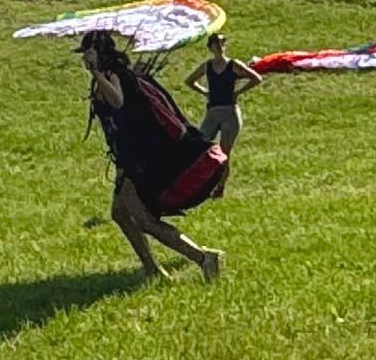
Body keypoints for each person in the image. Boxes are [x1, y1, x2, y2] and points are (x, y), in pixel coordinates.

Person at [80, 30, 226, 282]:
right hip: (130, 160)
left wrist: (95, 73)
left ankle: (203, 257)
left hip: (139, 163)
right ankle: (151, 269)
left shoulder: (112, 75)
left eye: (88, 52)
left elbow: (117, 102)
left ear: (99, 53)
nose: (84, 57)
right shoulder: (117, 75)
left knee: (146, 222)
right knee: (120, 213)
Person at [184, 32, 261, 160]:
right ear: (210, 48)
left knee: (224, 154)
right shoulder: (207, 66)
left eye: (222, 43)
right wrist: (205, 92)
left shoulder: (233, 64)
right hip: (212, 112)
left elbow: (256, 78)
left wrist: (238, 92)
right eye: (216, 43)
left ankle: (221, 179)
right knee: (201, 144)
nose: (220, 46)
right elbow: (189, 81)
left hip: (229, 112)